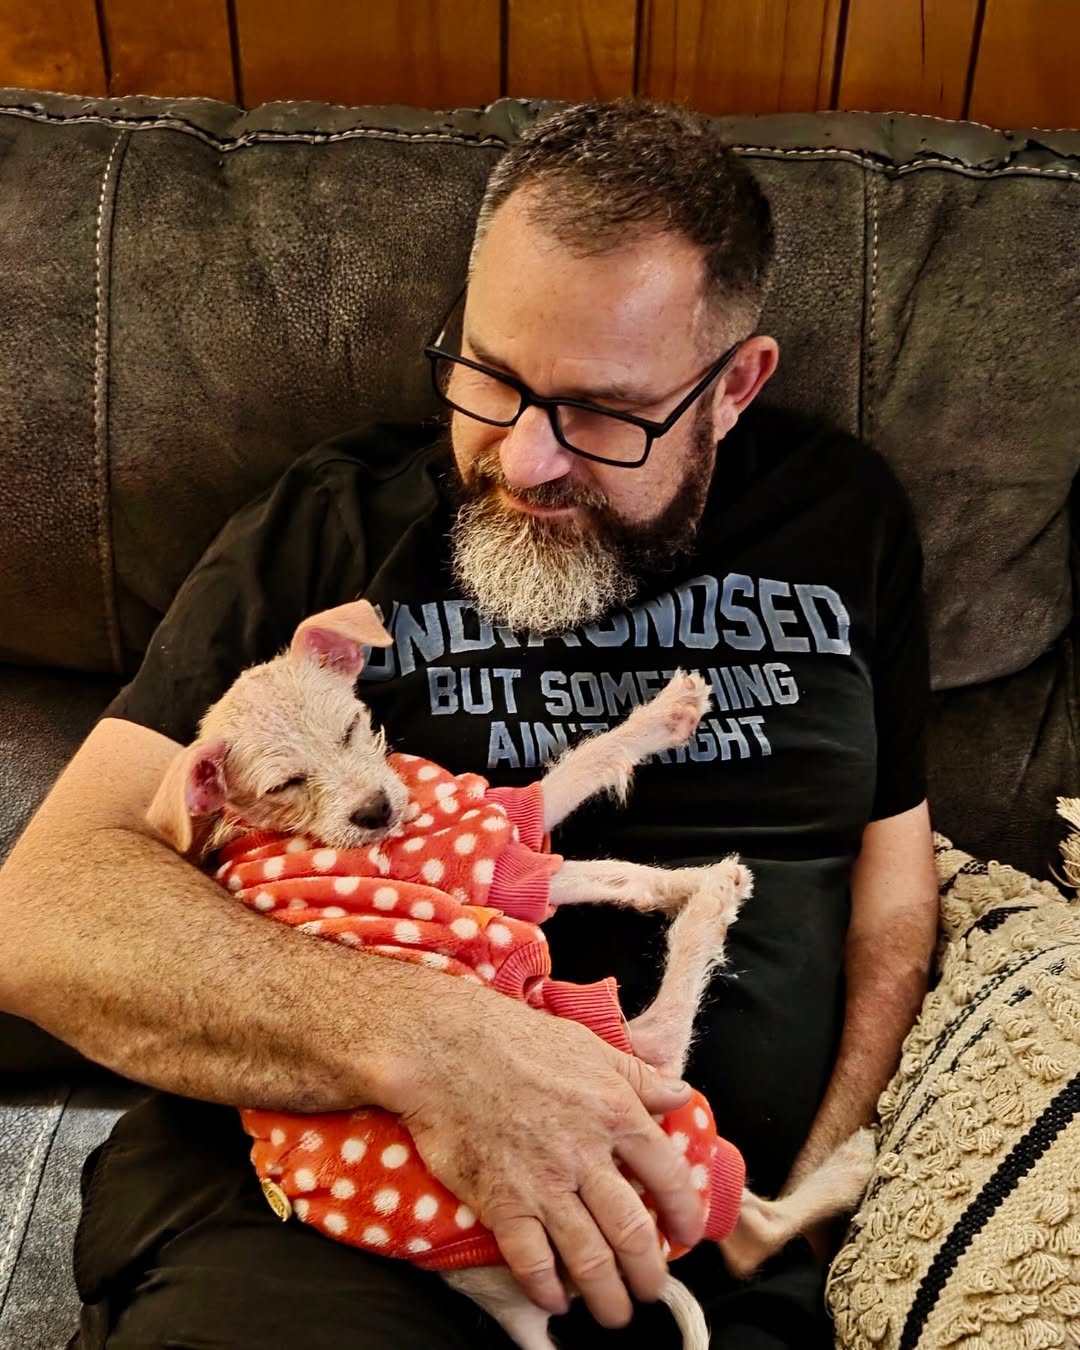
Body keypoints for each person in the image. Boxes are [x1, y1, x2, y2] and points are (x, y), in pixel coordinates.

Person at [0, 99, 939, 1349]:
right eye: (492, 377)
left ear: (733, 387)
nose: (526, 458)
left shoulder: (846, 520)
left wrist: (807, 1215)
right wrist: (433, 1045)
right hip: (334, 1231)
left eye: (606, 411)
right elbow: (45, 910)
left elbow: (893, 888)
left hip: (708, 1242)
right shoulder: (330, 523)